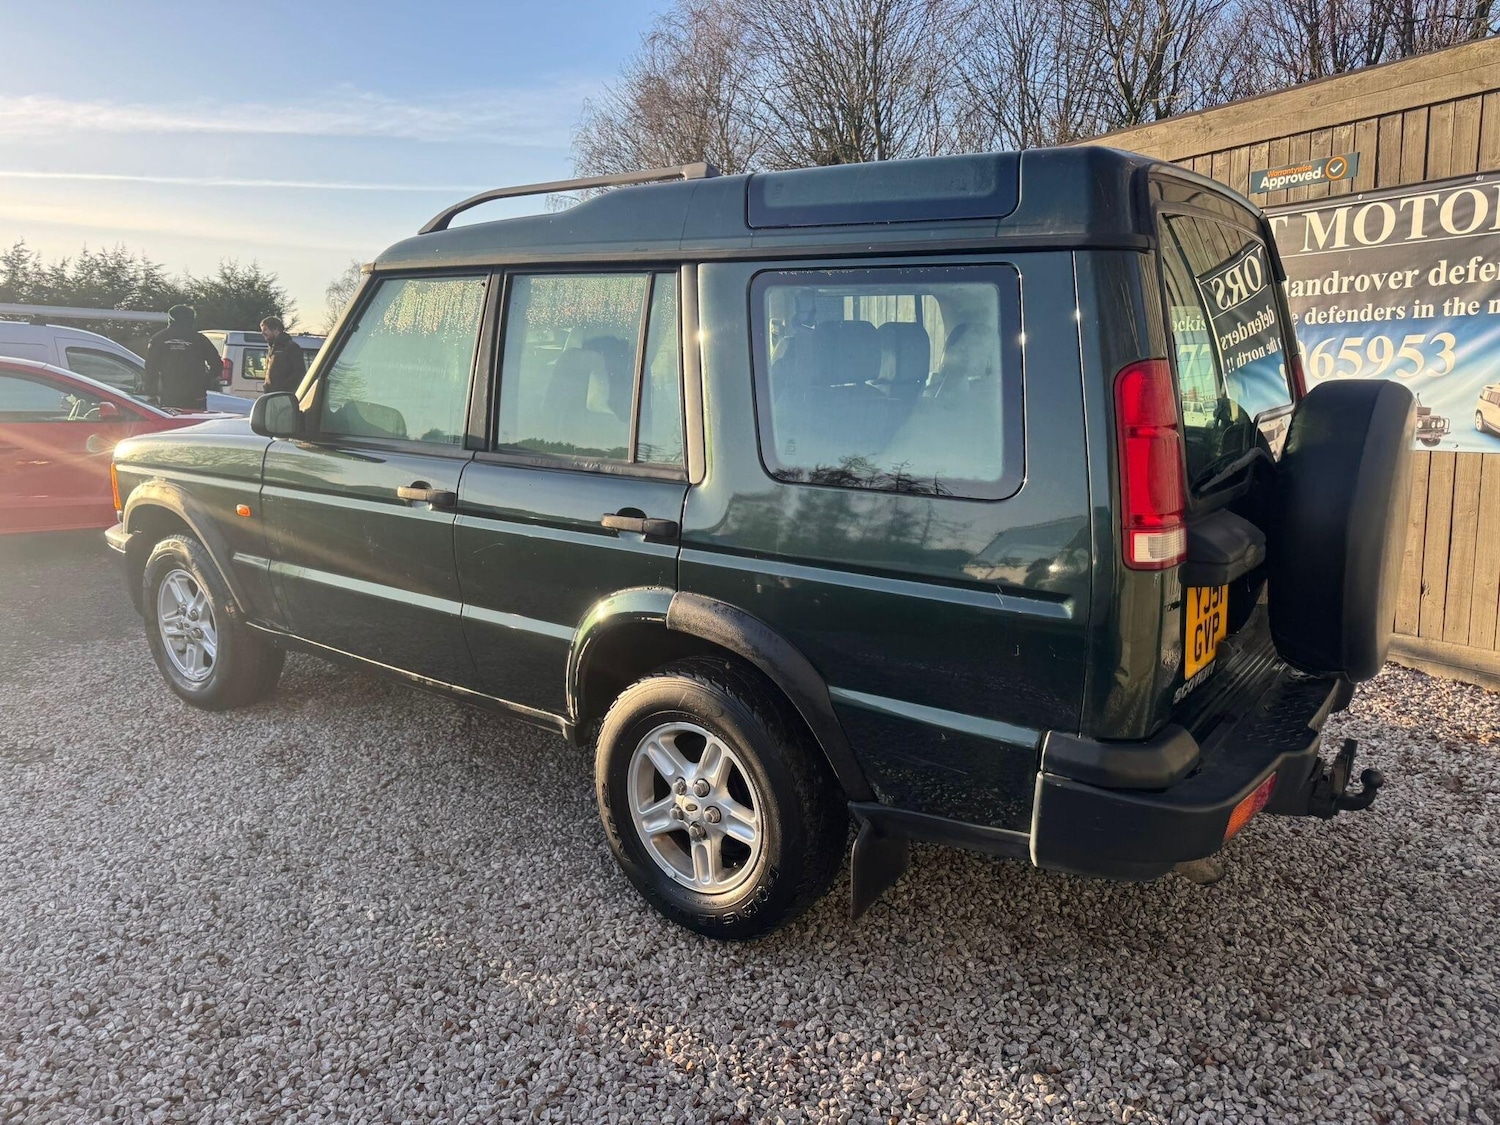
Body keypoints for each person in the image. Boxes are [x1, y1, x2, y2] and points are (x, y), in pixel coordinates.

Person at [144, 305, 221, 410]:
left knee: (174, 425)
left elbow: (151, 369)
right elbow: (217, 365)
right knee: (196, 423)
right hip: (196, 395)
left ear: (171, 319)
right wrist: (204, 382)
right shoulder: (200, 339)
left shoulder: (158, 339)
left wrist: (152, 394)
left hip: (169, 395)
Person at [261, 316, 306, 394]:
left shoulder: (291, 347)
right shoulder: (272, 348)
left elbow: (299, 372)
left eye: (265, 329)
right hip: (271, 395)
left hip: (283, 395)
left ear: (275, 329)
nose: (262, 333)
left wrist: (282, 388)